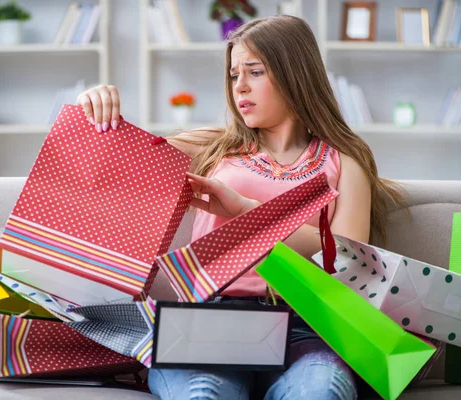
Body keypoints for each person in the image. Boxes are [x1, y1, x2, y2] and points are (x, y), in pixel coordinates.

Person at [77, 14, 404, 400]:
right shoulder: (213, 147)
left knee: (323, 390)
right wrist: (92, 109)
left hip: (306, 327)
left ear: (295, 74)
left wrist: (249, 211)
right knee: (204, 393)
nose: (240, 87)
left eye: (255, 71)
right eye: (234, 75)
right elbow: (110, 164)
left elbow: (349, 262)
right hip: (209, 325)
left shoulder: (344, 162)